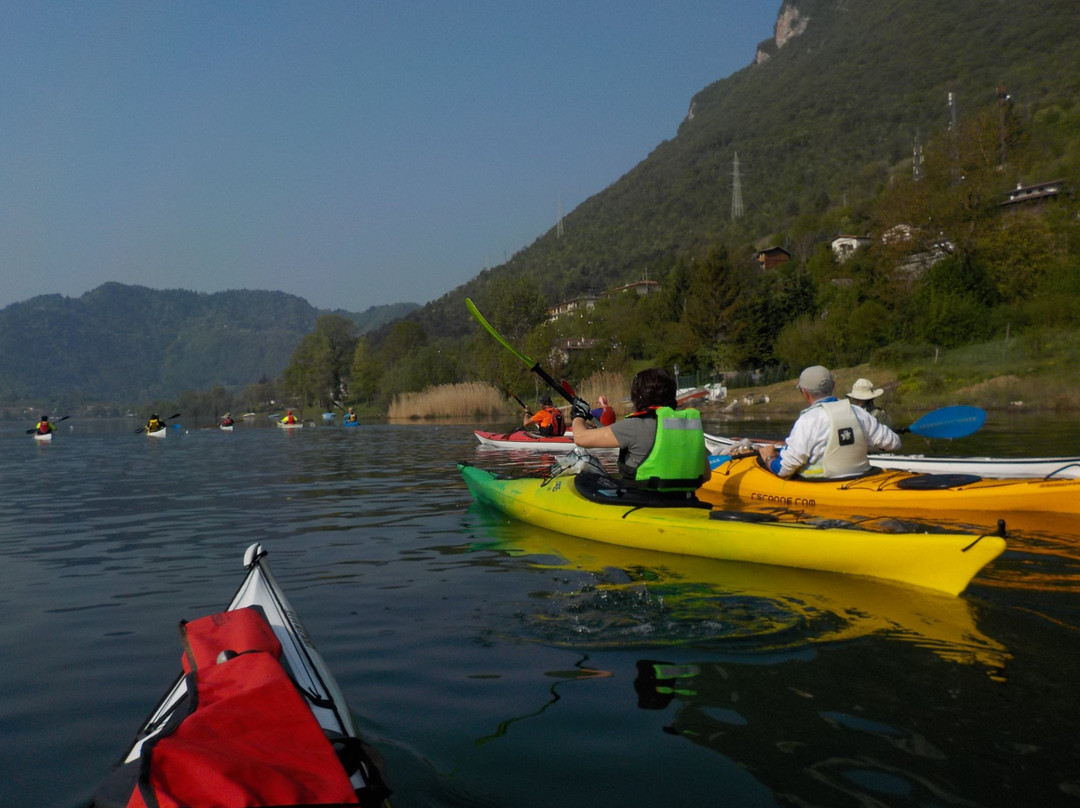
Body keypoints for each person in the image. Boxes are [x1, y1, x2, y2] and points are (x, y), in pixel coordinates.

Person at [571, 367, 711, 492]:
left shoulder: (634, 426)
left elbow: (580, 438)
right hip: (686, 501)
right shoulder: (690, 426)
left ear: (638, 397)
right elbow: (706, 475)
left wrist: (578, 415)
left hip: (643, 501)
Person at [758, 365, 901, 479]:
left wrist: (769, 457)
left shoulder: (808, 420)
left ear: (805, 392)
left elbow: (783, 470)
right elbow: (894, 443)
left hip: (823, 486)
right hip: (861, 479)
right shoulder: (859, 413)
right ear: (833, 386)